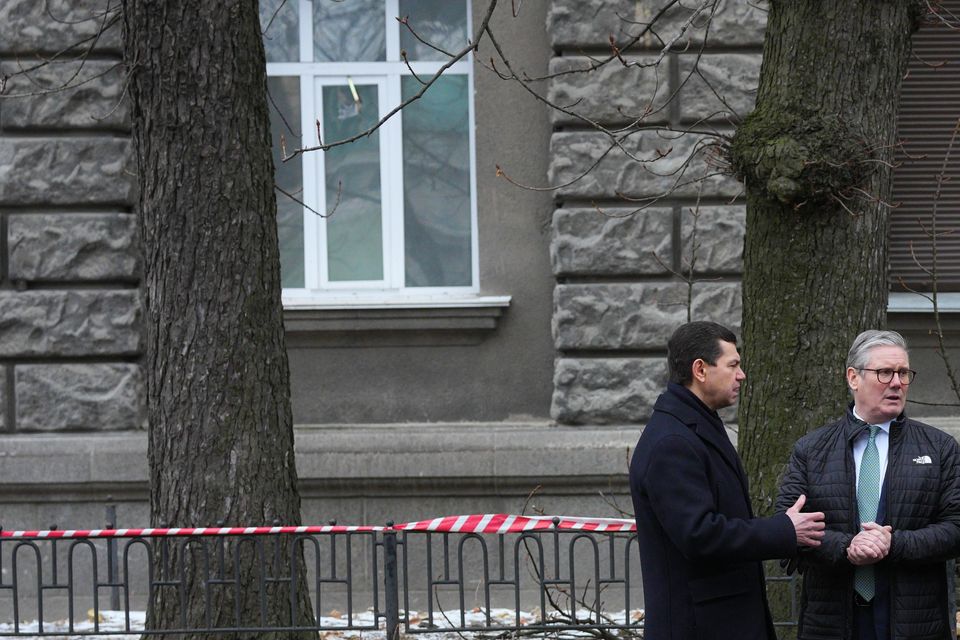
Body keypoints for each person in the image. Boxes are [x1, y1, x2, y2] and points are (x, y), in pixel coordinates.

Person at [630, 321, 825, 640]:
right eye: (733, 365)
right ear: (700, 370)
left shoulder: (693, 426)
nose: (741, 374)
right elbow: (700, 535)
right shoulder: (672, 443)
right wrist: (784, 530)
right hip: (699, 627)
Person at [775, 329, 960, 640]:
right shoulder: (811, 450)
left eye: (903, 373)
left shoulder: (939, 448)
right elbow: (786, 529)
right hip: (832, 619)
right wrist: (847, 547)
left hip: (914, 619)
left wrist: (894, 544)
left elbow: (956, 527)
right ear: (853, 377)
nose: (897, 383)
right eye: (885, 372)